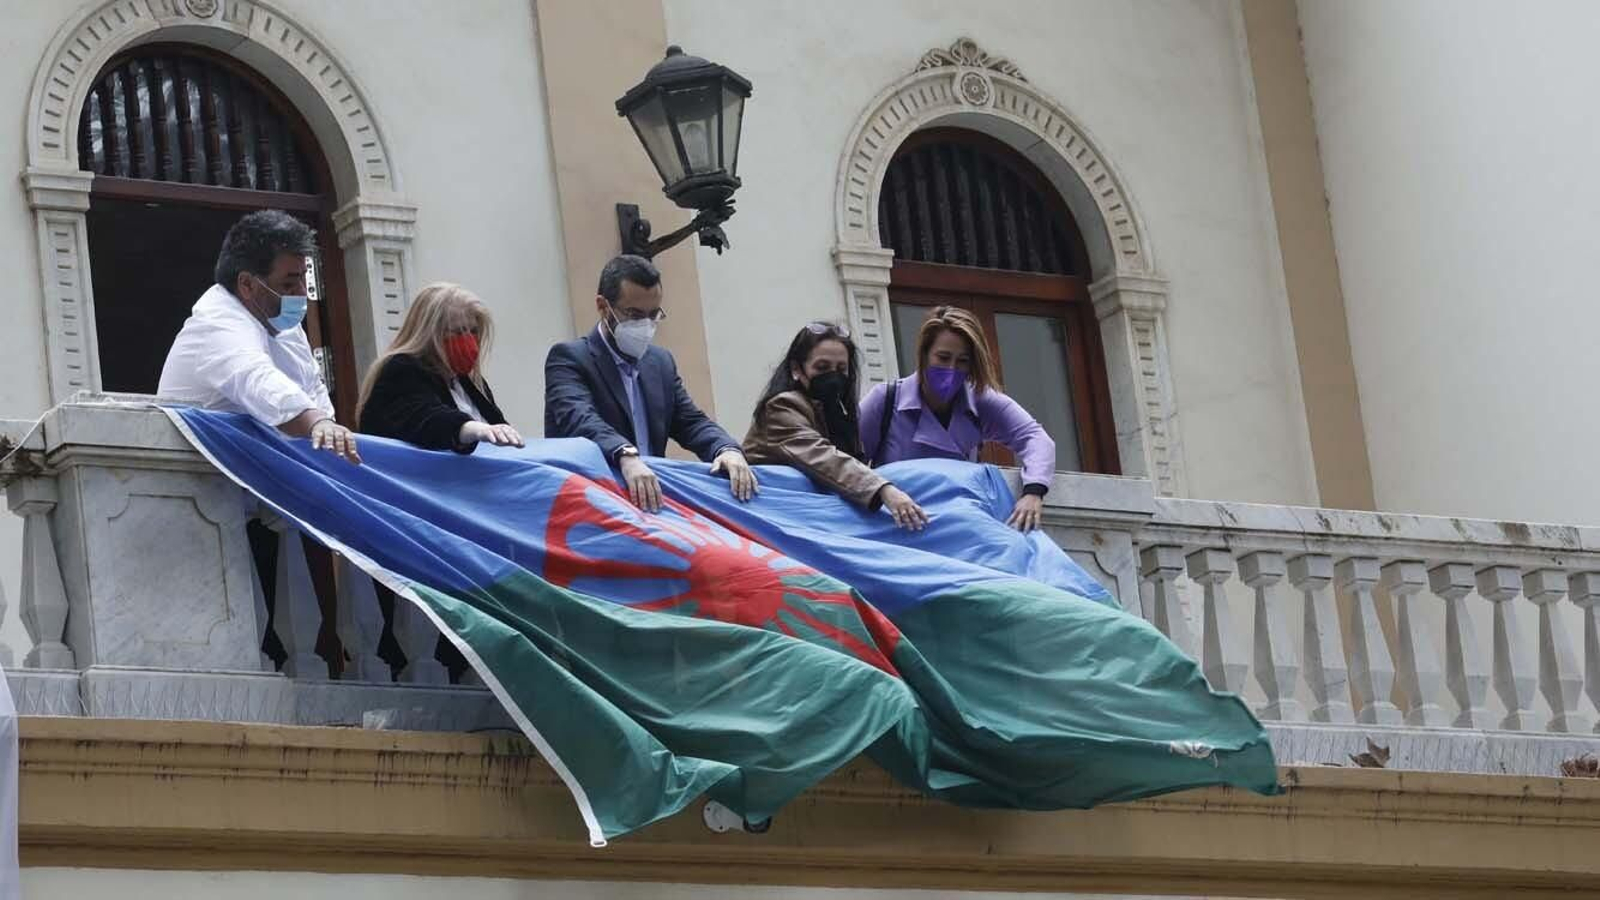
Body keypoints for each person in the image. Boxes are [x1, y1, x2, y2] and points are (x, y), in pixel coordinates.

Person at [545, 254, 756, 512]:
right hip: (591, 504)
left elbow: (690, 421)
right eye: (634, 315)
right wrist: (624, 454)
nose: (645, 325)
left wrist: (725, 449)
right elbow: (580, 418)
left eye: (653, 314)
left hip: (651, 504)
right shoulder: (569, 358)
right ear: (603, 307)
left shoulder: (660, 362)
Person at [158, 209, 360, 463]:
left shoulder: (282, 325)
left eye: (302, 280)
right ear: (247, 284)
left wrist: (326, 426)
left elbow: (312, 389)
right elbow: (257, 378)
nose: (301, 294)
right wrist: (315, 422)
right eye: (288, 284)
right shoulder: (217, 324)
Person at [860, 305, 1056, 531]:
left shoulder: (981, 400)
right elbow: (848, 464)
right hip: (896, 526)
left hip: (958, 526)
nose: (951, 368)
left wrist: (1033, 492)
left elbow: (1035, 438)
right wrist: (885, 491)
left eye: (962, 361)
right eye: (943, 357)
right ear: (924, 355)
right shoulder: (885, 400)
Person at [743, 323, 927, 530]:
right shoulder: (782, 406)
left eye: (841, 369)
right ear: (796, 369)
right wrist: (884, 490)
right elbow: (823, 457)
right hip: (771, 520)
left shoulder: (839, 412)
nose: (833, 376)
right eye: (822, 368)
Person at [357, 283, 523, 452]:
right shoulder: (401, 369)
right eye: (457, 332)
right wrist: (472, 429)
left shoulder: (469, 381)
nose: (468, 341)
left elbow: (500, 433)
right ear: (429, 334)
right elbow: (426, 418)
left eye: (473, 331)